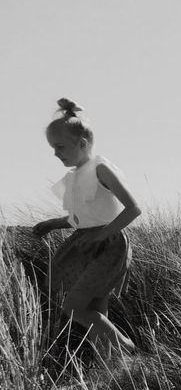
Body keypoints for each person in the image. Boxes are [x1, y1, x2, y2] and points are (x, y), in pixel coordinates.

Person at [33, 98, 141, 358]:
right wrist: (54, 223)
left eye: (59, 146)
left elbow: (133, 209)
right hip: (86, 244)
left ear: (81, 144)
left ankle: (128, 349)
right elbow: (82, 217)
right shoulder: (74, 177)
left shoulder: (101, 169)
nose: (56, 153)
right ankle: (111, 368)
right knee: (95, 307)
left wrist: (101, 236)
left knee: (73, 307)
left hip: (107, 246)